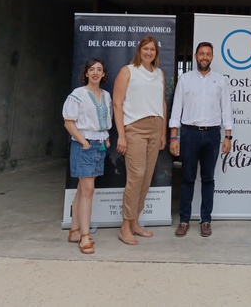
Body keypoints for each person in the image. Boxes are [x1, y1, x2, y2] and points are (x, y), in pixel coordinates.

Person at [168, 41, 233, 238]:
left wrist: (228, 136)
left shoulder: (221, 80)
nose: (204, 57)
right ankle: (184, 220)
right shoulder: (185, 79)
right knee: (187, 178)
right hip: (189, 133)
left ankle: (206, 220)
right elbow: (176, 108)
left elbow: (227, 110)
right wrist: (173, 136)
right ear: (196, 56)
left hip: (213, 134)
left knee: (208, 179)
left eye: (208, 54)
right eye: (201, 54)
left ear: (212, 57)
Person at [113, 36, 167, 246]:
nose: (149, 52)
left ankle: (135, 222)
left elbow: (161, 103)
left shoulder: (159, 74)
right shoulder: (128, 71)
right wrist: (122, 135)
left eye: (152, 49)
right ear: (139, 50)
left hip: (155, 128)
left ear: (156, 53)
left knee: (146, 179)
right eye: (145, 49)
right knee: (136, 176)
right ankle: (124, 227)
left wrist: (162, 133)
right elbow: (117, 104)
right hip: (134, 128)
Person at [63, 58, 112, 255]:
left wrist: (105, 137)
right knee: (88, 190)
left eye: (99, 70)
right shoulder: (78, 94)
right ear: (86, 73)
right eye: (92, 69)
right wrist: (83, 141)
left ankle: (74, 231)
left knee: (82, 189)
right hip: (84, 145)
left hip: (99, 145)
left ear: (103, 74)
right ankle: (84, 237)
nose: (95, 73)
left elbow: (105, 121)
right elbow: (68, 122)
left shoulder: (106, 95)